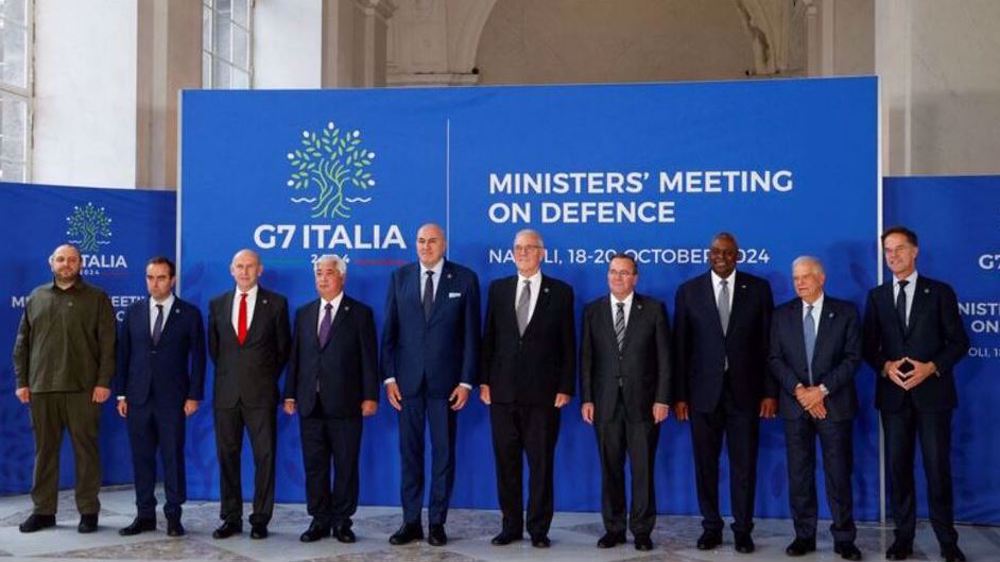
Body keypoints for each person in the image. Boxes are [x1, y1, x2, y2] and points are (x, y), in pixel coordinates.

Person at [863, 226, 969, 562]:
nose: (892, 255)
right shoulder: (877, 297)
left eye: (898, 249)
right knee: (899, 469)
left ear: (915, 251)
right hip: (894, 399)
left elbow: (959, 342)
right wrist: (885, 367)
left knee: (937, 470)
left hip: (933, 397)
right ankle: (903, 539)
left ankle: (947, 542)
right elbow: (867, 347)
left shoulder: (939, 292)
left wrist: (931, 367)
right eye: (887, 250)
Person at [672, 231, 777, 554]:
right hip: (702, 395)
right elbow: (681, 348)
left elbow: (768, 345)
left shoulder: (758, 289)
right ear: (709, 255)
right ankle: (711, 527)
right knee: (706, 464)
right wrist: (679, 396)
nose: (721, 257)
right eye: (716, 251)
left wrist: (770, 392)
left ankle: (743, 529)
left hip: (746, 394)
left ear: (738, 256)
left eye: (728, 252)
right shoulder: (689, 291)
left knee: (744, 465)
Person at [381, 224, 481, 547]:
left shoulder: (465, 279)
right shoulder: (401, 278)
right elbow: (390, 335)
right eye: (421, 241)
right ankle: (410, 521)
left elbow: (470, 337)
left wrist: (466, 381)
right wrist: (390, 378)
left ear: (444, 244)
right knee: (409, 455)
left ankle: (437, 522)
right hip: (407, 385)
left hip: (446, 385)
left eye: (432, 241)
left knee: (443, 455)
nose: (426, 246)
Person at [480, 228, 575, 549]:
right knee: (506, 463)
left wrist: (565, 386)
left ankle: (538, 528)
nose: (522, 253)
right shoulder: (498, 289)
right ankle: (510, 526)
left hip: (544, 396)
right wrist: (484, 381)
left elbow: (568, 345)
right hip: (502, 394)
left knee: (541, 464)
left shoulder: (561, 292)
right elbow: (488, 340)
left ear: (542, 253)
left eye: (529, 248)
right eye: (517, 248)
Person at [13, 244, 116, 534]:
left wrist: (103, 382)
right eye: (61, 259)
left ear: (81, 264)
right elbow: (23, 343)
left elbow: (109, 345)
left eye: (72, 260)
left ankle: (88, 511)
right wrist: (22, 381)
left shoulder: (97, 298)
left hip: (84, 389)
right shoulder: (36, 297)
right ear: (51, 263)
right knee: (44, 451)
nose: (66, 264)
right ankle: (44, 511)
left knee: (86, 452)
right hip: (42, 388)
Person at [768, 256, 862, 560]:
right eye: (796, 278)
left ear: (821, 278)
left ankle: (844, 538)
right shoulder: (782, 315)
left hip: (833, 405)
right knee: (799, 474)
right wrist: (800, 392)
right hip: (796, 407)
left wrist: (820, 392)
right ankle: (804, 536)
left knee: (838, 473)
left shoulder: (845, 312)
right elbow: (774, 359)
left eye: (805, 277)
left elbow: (852, 358)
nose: (799, 283)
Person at [283, 254, 378, 544]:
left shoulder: (360, 313)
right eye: (319, 273)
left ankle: (342, 521)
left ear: (342, 277)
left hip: (347, 404)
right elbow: (295, 358)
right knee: (315, 465)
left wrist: (370, 396)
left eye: (329, 273)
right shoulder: (304, 313)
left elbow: (368, 359)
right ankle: (319, 519)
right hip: (310, 404)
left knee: (346, 465)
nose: (322, 278)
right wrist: (289, 394)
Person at [579, 253, 671, 552]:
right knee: (610, 468)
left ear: (636, 277)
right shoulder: (593, 310)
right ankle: (614, 528)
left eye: (624, 272)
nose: (617, 277)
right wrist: (588, 398)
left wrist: (662, 399)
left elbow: (664, 360)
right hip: (605, 404)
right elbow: (587, 360)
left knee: (642, 469)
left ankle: (642, 530)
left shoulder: (654, 309)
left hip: (644, 404)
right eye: (613, 272)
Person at [114, 256, 206, 537]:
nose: (155, 283)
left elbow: (199, 359)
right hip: (137, 398)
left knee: (172, 457)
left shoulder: (189, 313)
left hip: (173, 400)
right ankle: (144, 515)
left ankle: (174, 516)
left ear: (173, 280)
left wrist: (194, 396)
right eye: (150, 277)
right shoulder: (134, 311)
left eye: (161, 278)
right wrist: (121, 394)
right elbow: (123, 355)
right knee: (141, 458)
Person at [207, 248, 291, 540]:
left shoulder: (277, 304)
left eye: (250, 266)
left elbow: (283, 350)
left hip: (261, 394)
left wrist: (262, 377)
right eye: (239, 266)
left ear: (260, 270)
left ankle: (260, 519)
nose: (244, 271)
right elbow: (215, 351)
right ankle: (231, 517)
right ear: (231, 270)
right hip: (226, 395)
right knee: (227, 456)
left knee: (264, 457)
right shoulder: (217, 304)